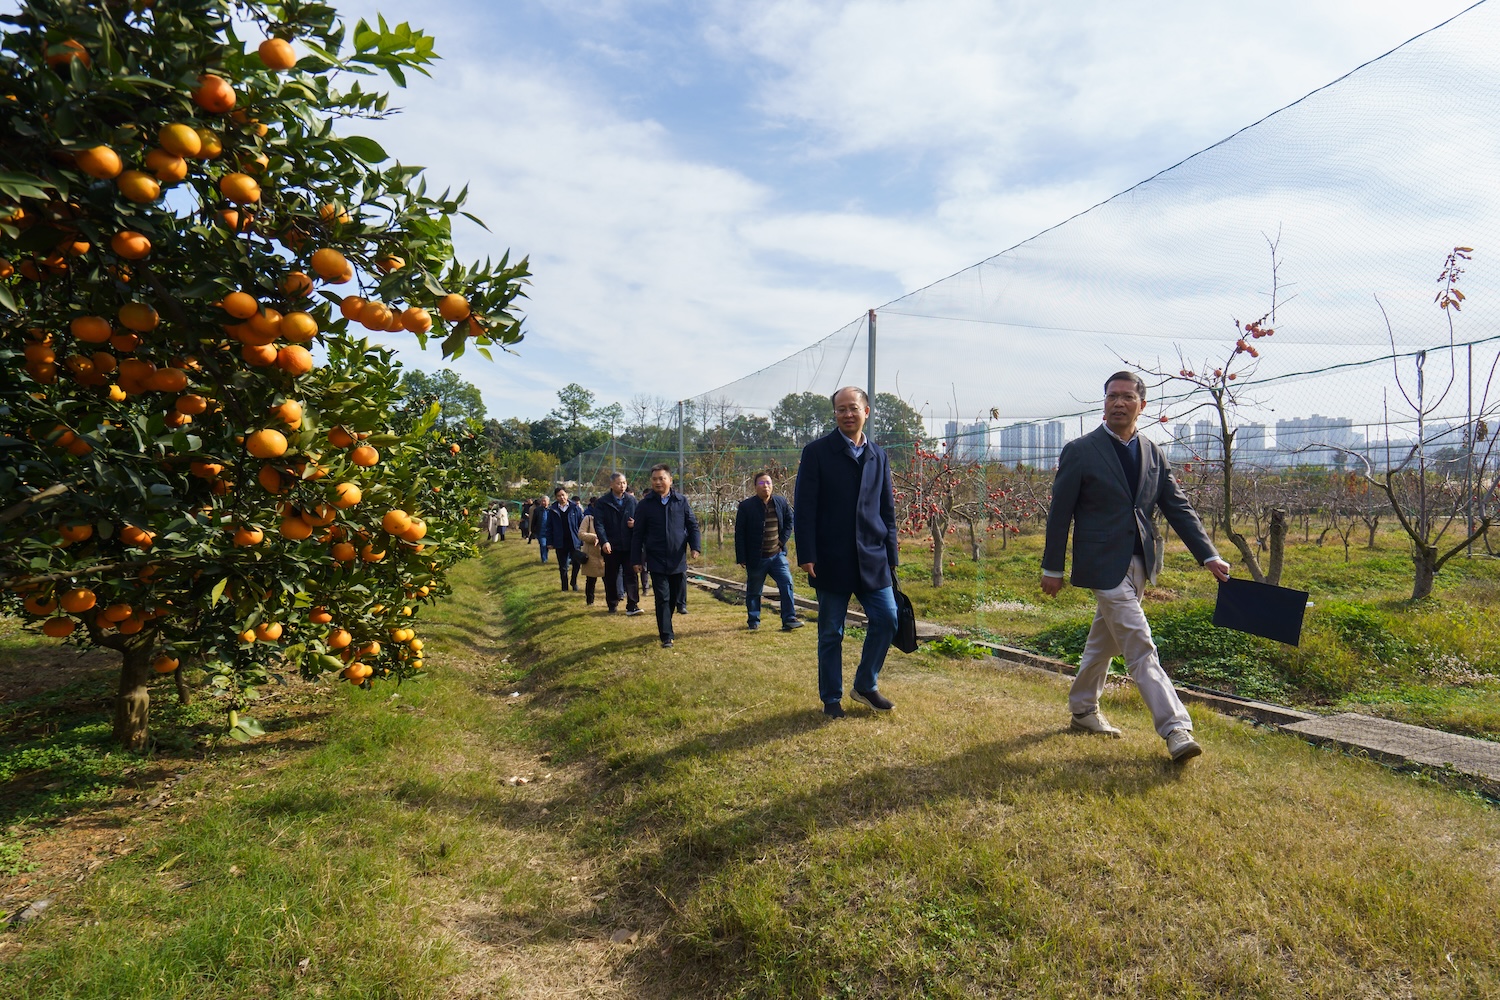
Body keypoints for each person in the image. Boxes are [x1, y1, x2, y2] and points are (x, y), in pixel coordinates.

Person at [1040, 370, 1231, 762]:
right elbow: (1060, 514)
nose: (1118, 403)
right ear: (1104, 402)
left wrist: (1208, 554)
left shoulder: (1152, 452)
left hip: (1141, 561)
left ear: (1142, 405)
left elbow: (1177, 506)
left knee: (1104, 641)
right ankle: (1176, 728)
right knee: (1139, 644)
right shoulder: (1081, 450)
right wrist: (1053, 568)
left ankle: (1082, 709)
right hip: (1100, 564)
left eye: (1127, 397)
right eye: (1112, 396)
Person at [794, 386, 899, 719]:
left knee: (887, 618)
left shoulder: (878, 455)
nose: (847, 414)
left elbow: (887, 507)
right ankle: (831, 699)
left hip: (872, 556)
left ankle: (865, 685)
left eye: (853, 408)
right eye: (840, 409)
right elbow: (805, 506)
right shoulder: (817, 452)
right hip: (831, 556)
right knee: (831, 631)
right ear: (835, 414)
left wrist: (891, 555)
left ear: (866, 411)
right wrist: (806, 552)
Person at [631, 464, 701, 648]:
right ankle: (666, 636)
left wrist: (695, 547)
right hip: (656, 558)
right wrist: (636, 559)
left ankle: (665, 622)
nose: (658, 482)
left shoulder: (681, 501)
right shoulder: (645, 505)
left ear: (670, 480)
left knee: (673, 597)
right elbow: (637, 534)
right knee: (662, 597)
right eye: (654, 479)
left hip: (677, 558)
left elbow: (692, 525)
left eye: (662, 478)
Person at [735, 471, 804, 632]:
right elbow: (740, 533)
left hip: (777, 555)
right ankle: (753, 620)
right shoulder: (746, 506)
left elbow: (789, 520)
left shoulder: (780, 502)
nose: (765, 486)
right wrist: (742, 557)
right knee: (754, 590)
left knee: (787, 583)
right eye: (761, 483)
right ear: (755, 487)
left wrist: (782, 540)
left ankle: (789, 618)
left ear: (772, 486)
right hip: (756, 557)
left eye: (768, 483)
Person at [593, 472, 643, 616]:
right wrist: (604, 541)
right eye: (618, 483)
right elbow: (599, 524)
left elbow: (641, 518)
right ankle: (612, 604)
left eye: (624, 483)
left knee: (632, 575)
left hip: (629, 545)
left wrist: (636, 524)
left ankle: (632, 604)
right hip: (612, 546)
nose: (622, 486)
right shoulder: (603, 502)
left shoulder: (632, 500)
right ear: (611, 485)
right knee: (611, 576)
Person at [546, 487, 584, 591]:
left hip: (574, 541)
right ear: (556, 497)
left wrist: (583, 538)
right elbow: (549, 527)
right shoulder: (553, 510)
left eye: (563, 495)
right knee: (563, 566)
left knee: (577, 563)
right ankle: (564, 586)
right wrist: (549, 542)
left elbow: (581, 523)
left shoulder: (575, 508)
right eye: (559, 496)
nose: (561, 497)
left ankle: (574, 581)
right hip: (560, 541)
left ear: (567, 495)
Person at [576, 498, 607, 605]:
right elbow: (581, 534)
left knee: (608, 580)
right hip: (591, 554)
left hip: (605, 553)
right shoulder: (588, 519)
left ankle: (611, 602)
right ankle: (590, 601)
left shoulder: (607, 518)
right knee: (591, 580)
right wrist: (595, 537)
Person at [532, 496, 550, 563]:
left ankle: (545, 556)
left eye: (545, 501)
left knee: (547, 545)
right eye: (542, 501)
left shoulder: (551, 510)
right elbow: (534, 521)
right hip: (541, 532)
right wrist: (533, 530)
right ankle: (544, 559)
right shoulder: (537, 510)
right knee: (543, 544)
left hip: (549, 532)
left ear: (548, 502)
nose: (543, 502)